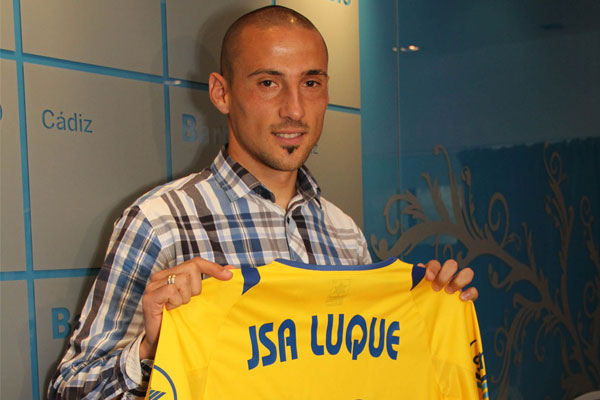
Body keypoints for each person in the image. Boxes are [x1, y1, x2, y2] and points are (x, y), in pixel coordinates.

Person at [48, 5, 478, 399]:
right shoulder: (160, 224)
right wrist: (150, 349)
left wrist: (431, 311)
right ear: (222, 93)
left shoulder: (344, 233)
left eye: (311, 83)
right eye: (269, 83)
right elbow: (69, 390)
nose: (294, 109)